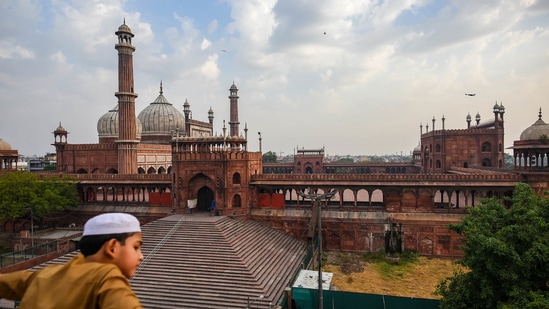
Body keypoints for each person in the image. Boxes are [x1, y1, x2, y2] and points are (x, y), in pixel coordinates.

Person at [0, 212, 144, 308]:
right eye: (136, 247)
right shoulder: (107, 279)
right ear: (112, 248)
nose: (141, 256)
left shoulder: (48, 274)